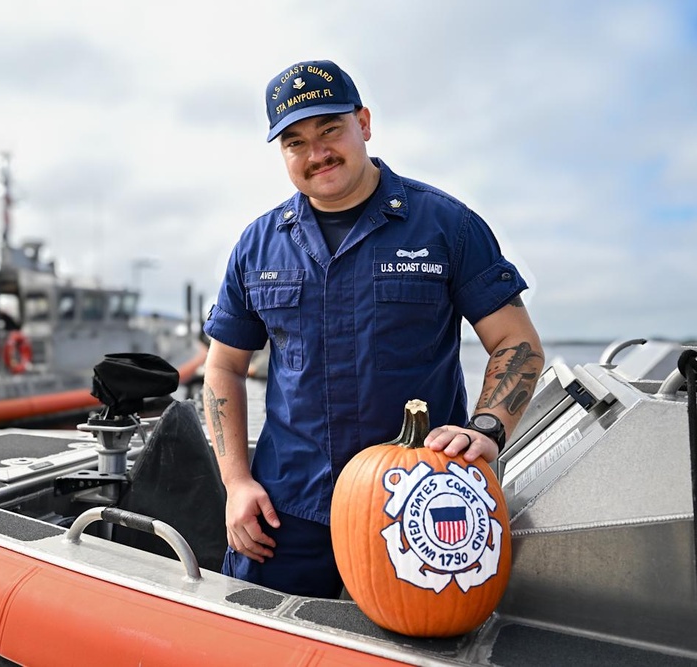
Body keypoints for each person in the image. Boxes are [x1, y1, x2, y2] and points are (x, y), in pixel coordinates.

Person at [201, 59, 544, 599]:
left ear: (363, 122)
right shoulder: (257, 245)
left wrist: (488, 428)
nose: (317, 154)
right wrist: (236, 482)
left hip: (421, 505)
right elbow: (223, 366)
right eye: (295, 142)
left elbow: (516, 342)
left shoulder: (447, 227)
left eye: (329, 129)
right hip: (286, 505)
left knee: (420, 647)